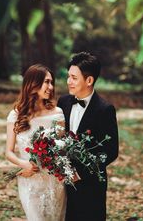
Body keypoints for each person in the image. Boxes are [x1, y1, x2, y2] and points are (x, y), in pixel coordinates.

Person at [58, 52, 119, 221]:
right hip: (63, 182)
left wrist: (81, 173)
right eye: (68, 77)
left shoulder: (105, 110)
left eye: (74, 77)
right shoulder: (63, 103)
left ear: (89, 80)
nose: (68, 81)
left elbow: (111, 150)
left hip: (91, 185)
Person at [5, 64, 66, 221]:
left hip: (54, 180)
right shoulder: (15, 115)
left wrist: (52, 158)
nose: (50, 87)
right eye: (46, 82)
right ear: (33, 84)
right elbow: (8, 152)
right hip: (29, 179)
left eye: (51, 82)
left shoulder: (57, 114)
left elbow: (63, 148)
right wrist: (23, 164)